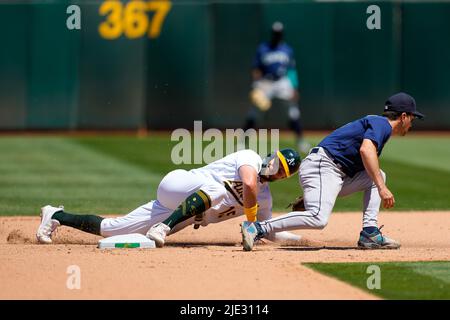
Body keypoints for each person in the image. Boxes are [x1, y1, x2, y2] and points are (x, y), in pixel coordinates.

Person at [241, 92, 424, 251]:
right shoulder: (381, 124)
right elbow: (366, 150)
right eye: (412, 118)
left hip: (332, 172)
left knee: (377, 177)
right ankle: (256, 228)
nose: (411, 123)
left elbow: (359, 160)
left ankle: (370, 233)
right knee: (318, 218)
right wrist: (382, 188)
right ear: (403, 116)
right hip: (323, 165)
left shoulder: (379, 127)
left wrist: (318, 193)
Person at [36, 148, 302, 247]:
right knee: (218, 190)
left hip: (185, 214)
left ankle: (55, 215)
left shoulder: (265, 199)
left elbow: (268, 231)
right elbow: (248, 183)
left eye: (283, 172)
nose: (276, 171)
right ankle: (162, 228)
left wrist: (300, 238)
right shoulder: (250, 158)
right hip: (177, 186)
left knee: (111, 230)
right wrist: (250, 220)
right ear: (270, 157)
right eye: (277, 163)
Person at [244, 21, 310, 154]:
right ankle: (242, 141)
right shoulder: (263, 48)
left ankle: (300, 140)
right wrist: (255, 86)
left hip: (282, 82)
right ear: (272, 34)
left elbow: (291, 70)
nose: (277, 36)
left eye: (279, 34)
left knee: (293, 111)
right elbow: (256, 69)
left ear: (282, 35)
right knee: (254, 113)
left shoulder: (287, 50)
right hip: (265, 82)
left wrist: (294, 88)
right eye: (275, 33)